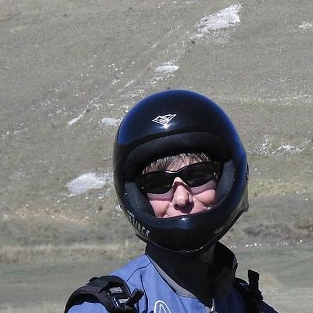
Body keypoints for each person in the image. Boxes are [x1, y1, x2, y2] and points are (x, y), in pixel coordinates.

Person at [65, 89, 279, 313]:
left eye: (198, 176)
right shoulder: (104, 309)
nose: (181, 198)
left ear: (227, 180)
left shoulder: (251, 307)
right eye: (158, 183)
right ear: (139, 197)